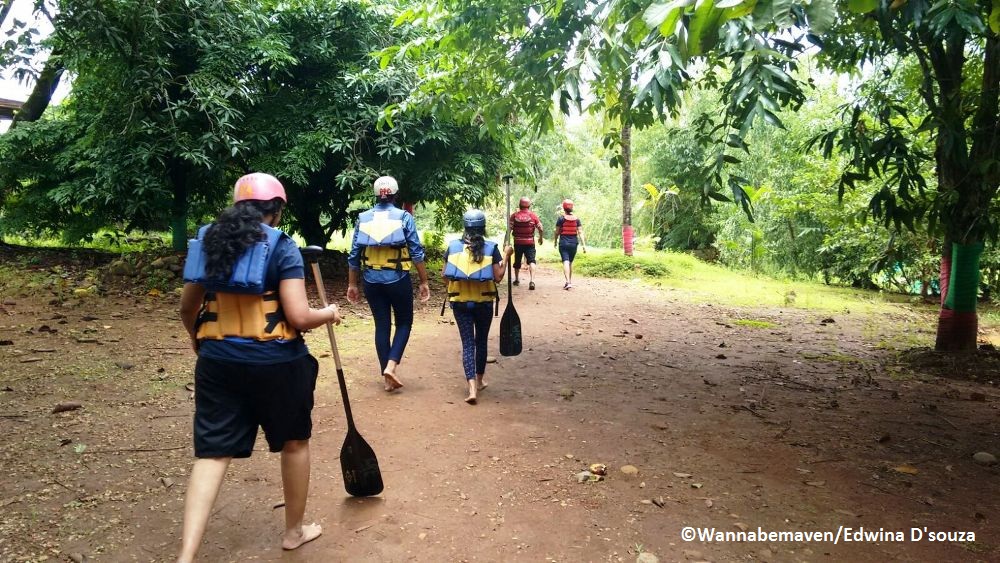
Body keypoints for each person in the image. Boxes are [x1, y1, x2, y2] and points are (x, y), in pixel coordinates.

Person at [177, 173, 341, 561]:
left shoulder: (211, 241)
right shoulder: (283, 247)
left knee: (212, 455)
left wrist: (197, 340)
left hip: (217, 361)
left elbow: (188, 308)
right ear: (277, 210)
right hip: (278, 362)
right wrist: (329, 313)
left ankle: (185, 556)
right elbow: (299, 317)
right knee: (294, 441)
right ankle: (293, 532)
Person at [346, 175, 430, 391]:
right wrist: (424, 281)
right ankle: (391, 367)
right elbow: (416, 252)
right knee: (404, 323)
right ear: (395, 194)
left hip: (371, 280)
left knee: (381, 325)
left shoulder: (363, 218)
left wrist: (352, 284)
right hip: (398, 279)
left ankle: (387, 379)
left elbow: (354, 254)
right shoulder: (403, 217)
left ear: (377, 194)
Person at [443, 209, 512, 404]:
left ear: (465, 227)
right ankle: (480, 381)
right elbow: (498, 277)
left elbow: (445, 276)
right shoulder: (492, 248)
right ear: (483, 228)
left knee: (467, 343)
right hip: (484, 304)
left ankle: (472, 387)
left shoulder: (453, 247)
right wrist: (507, 255)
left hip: (460, 303)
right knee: (480, 341)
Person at [509, 196, 543, 290]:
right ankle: (532, 281)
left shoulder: (514, 215)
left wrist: (506, 241)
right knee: (532, 261)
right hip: (529, 242)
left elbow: (509, 229)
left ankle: (516, 279)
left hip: (518, 242)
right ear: (529, 205)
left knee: (517, 261)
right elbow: (540, 228)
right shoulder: (533, 216)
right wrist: (540, 238)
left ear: (519, 205)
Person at [553, 199, 586, 290]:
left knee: (565, 261)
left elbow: (557, 232)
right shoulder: (577, 219)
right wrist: (584, 246)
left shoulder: (561, 219)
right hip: (573, 244)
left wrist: (555, 241)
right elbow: (580, 232)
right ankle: (569, 282)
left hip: (563, 243)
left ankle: (568, 282)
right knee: (570, 262)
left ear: (564, 207)